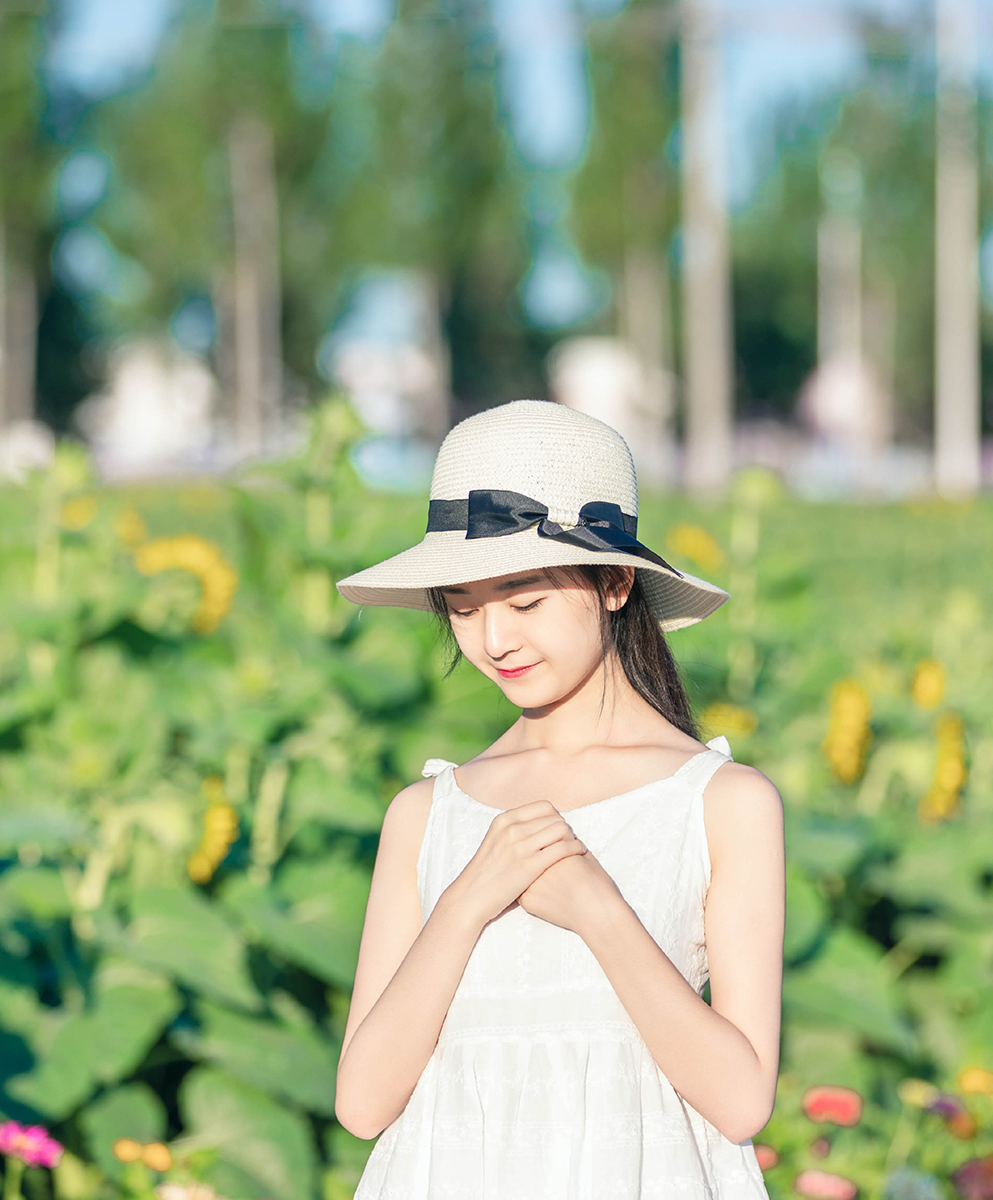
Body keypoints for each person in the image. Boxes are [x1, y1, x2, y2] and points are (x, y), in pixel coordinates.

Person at [333, 399, 787, 1199]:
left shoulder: (721, 802)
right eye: (464, 609)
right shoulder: (426, 814)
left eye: (525, 600)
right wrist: (470, 896)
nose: (494, 640)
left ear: (615, 582)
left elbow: (741, 1100)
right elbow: (363, 1104)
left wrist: (597, 908)